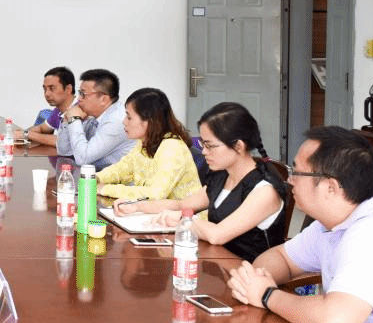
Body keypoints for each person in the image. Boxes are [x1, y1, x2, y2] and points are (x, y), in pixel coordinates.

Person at [227, 126, 373, 323]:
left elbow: (337, 321)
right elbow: (281, 257)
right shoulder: (328, 225)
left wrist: (267, 295)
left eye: (297, 172)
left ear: (330, 187)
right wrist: (255, 280)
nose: (290, 180)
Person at [118, 102, 288, 262]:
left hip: (248, 272)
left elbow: (217, 234)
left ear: (238, 146)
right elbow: (181, 205)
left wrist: (182, 220)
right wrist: (136, 206)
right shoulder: (222, 176)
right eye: (202, 144)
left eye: (210, 146)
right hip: (216, 262)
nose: (204, 152)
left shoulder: (264, 190)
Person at [96, 87, 201, 202]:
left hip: (185, 213)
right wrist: (96, 178)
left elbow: (155, 194)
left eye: (129, 117)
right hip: (158, 211)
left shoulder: (172, 147)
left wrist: (105, 189)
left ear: (149, 121)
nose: (124, 121)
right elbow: (123, 168)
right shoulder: (144, 142)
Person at [61, 68, 135, 168]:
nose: (79, 99)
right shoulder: (93, 115)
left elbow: (82, 158)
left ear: (104, 99)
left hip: (120, 177)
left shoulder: (117, 121)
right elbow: (65, 151)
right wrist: (67, 121)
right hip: (99, 174)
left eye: (83, 94)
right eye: (79, 93)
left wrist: (74, 120)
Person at [20, 66, 77, 154]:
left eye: (52, 88)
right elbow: (42, 128)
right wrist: (20, 135)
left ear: (68, 89)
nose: (46, 94)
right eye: (45, 89)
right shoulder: (58, 110)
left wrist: (27, 134)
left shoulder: (80, 110)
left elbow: (64, 142)